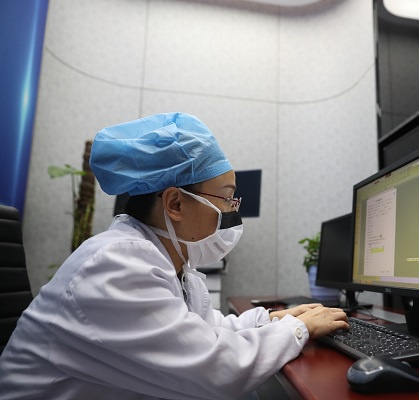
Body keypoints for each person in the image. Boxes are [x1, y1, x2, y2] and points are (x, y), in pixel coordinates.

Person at [0, 112, 349, 399]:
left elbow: (204, 331)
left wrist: (271, 319)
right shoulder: (117, 264)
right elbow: (218, 369)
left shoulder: (168, 263)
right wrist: (297, 329)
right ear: (176, 204)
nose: (232, 210)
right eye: (227, 198)